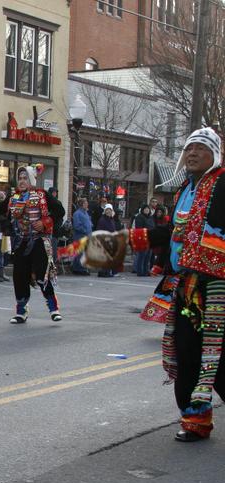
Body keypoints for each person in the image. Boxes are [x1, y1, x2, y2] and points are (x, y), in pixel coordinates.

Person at [76, 129, 225, 442]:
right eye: (189, 148)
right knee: (186, 353)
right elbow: (171, 233)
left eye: (200, 147)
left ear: (215, 153)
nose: (193, 153)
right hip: (185, 284)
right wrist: (124, 241)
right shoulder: (186, 188)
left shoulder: (222, 183)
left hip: (217, 286)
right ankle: (195, 421)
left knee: (218, 359)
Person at [8, 164, 60, 323]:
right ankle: (21, 310)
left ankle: (53, 308)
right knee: (19, 276)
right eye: (20, 178)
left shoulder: (42, 195)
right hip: (21, 241)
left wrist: (45, 222)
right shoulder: (14, 197)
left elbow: (59, 211)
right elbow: (2, 213)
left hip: (38, 240)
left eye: (25, 178)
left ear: (31, 179)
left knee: (42, 275)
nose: (22, 181)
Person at [132, 204, 155, 277]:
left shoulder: (151, 218)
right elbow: (138, 228)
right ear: (142, 210)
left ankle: (146, 271)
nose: (147, 210)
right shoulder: (139, 217)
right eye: (145, 209)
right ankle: (140, 271)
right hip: (143, 238)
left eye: (148, 209)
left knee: (148, 257)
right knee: (141, 256)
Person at [71, 197, 93, 275]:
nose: (87, 204)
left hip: (86, 235)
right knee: (79, 252)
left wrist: (90, 226)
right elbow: (77, 225)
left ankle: (82, 267)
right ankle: (78, 268)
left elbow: (88, 222)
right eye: (85, 203)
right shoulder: (77, 213)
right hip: (80, 236)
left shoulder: (86, 213)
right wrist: (84, 230)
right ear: (81, 204)